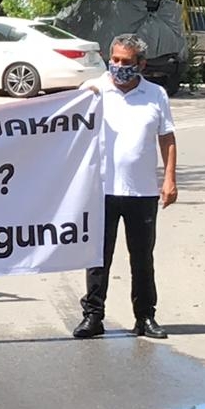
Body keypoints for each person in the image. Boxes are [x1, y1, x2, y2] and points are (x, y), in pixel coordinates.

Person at [73, 34, 177, 340]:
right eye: (115, 60)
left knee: (142, 257)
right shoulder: (92, 90)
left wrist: (169, 178)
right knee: (97, 257)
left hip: (141, 191)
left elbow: (167, 138)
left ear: (141, 64)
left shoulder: (155, 95)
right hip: (100, 190)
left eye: (127, 62)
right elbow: (65, 130)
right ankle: (93, 316)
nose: (119, 67)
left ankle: (145, 316)